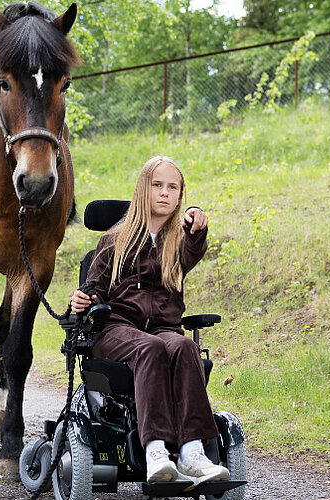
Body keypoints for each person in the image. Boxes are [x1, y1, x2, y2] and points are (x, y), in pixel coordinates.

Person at [70, 156, 230, 487]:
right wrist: (83, 300)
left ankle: (192, 452)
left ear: (180, 195)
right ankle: (155, 451)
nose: (164, 193)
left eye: (173, 187)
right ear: (143, 189)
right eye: (157, 185)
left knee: (184, 346)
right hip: (116, 329)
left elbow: (193, 250)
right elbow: (94, 290)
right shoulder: (114, 240)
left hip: (164, 328)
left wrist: (197, 225)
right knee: (153, 348)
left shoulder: (177, 243)